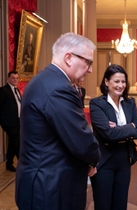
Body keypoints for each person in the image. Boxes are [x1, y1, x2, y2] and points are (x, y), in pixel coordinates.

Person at [15, 32, 101, 209]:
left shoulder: (42, 80)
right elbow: (82, 143)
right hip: (50, 188)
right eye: (88, 62)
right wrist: (93, 159)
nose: (90, 69)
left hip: (40, 182)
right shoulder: (59, 88)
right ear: (68, 57)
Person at [89, 64, 137, 210]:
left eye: (123, 82)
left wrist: (121, 129)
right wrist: (129, 127)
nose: (121, 85)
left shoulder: (129, 103)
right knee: (103, 204)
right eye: (116, 81)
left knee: (120, 204)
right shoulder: (97, 103)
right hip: (104, 160)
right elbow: (108, 134)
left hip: (124, 159)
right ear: (106, 82)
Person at [0, 71, 21, 172]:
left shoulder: (17, 90)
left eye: (17, 78)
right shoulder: (3, 90)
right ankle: (24, 164)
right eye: (13, 78)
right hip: (9, 122)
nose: (15, 80)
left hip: (18, 121)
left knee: (12, 143)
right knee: (17, 142)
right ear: (8, 79)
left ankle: (9, 163)